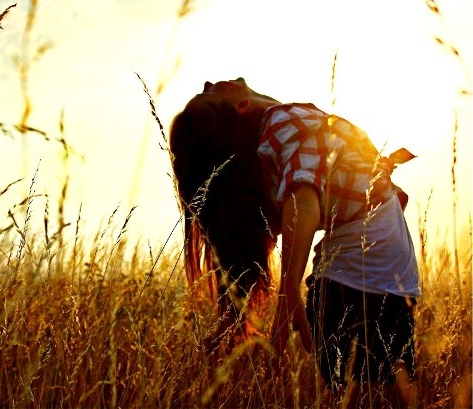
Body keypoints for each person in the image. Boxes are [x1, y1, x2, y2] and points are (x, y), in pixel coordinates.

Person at [169, 77, 420, 407]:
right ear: (241, 106)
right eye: (208, 91)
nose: (209, 82)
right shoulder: (280, 120)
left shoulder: (271, 151)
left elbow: (301, 200)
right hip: (361, 282)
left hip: (361, 280)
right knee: (380, 397)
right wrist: (288, 295)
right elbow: (304, 199)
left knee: (366, 397)